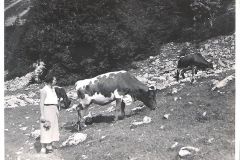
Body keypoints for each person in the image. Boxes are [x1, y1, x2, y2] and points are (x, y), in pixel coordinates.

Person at [39, 75, 60, 154]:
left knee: (53, 127)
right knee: (45, 127)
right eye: (54, 80)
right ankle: (43, 147)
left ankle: (49, 144)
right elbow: (41, 103)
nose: (55, 81)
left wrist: (57, 110)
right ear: (50, 81)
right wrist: (42, 115)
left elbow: (54, 101)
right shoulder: (44, 90)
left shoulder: (53, 89)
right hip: (46, 109)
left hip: (53, 109)